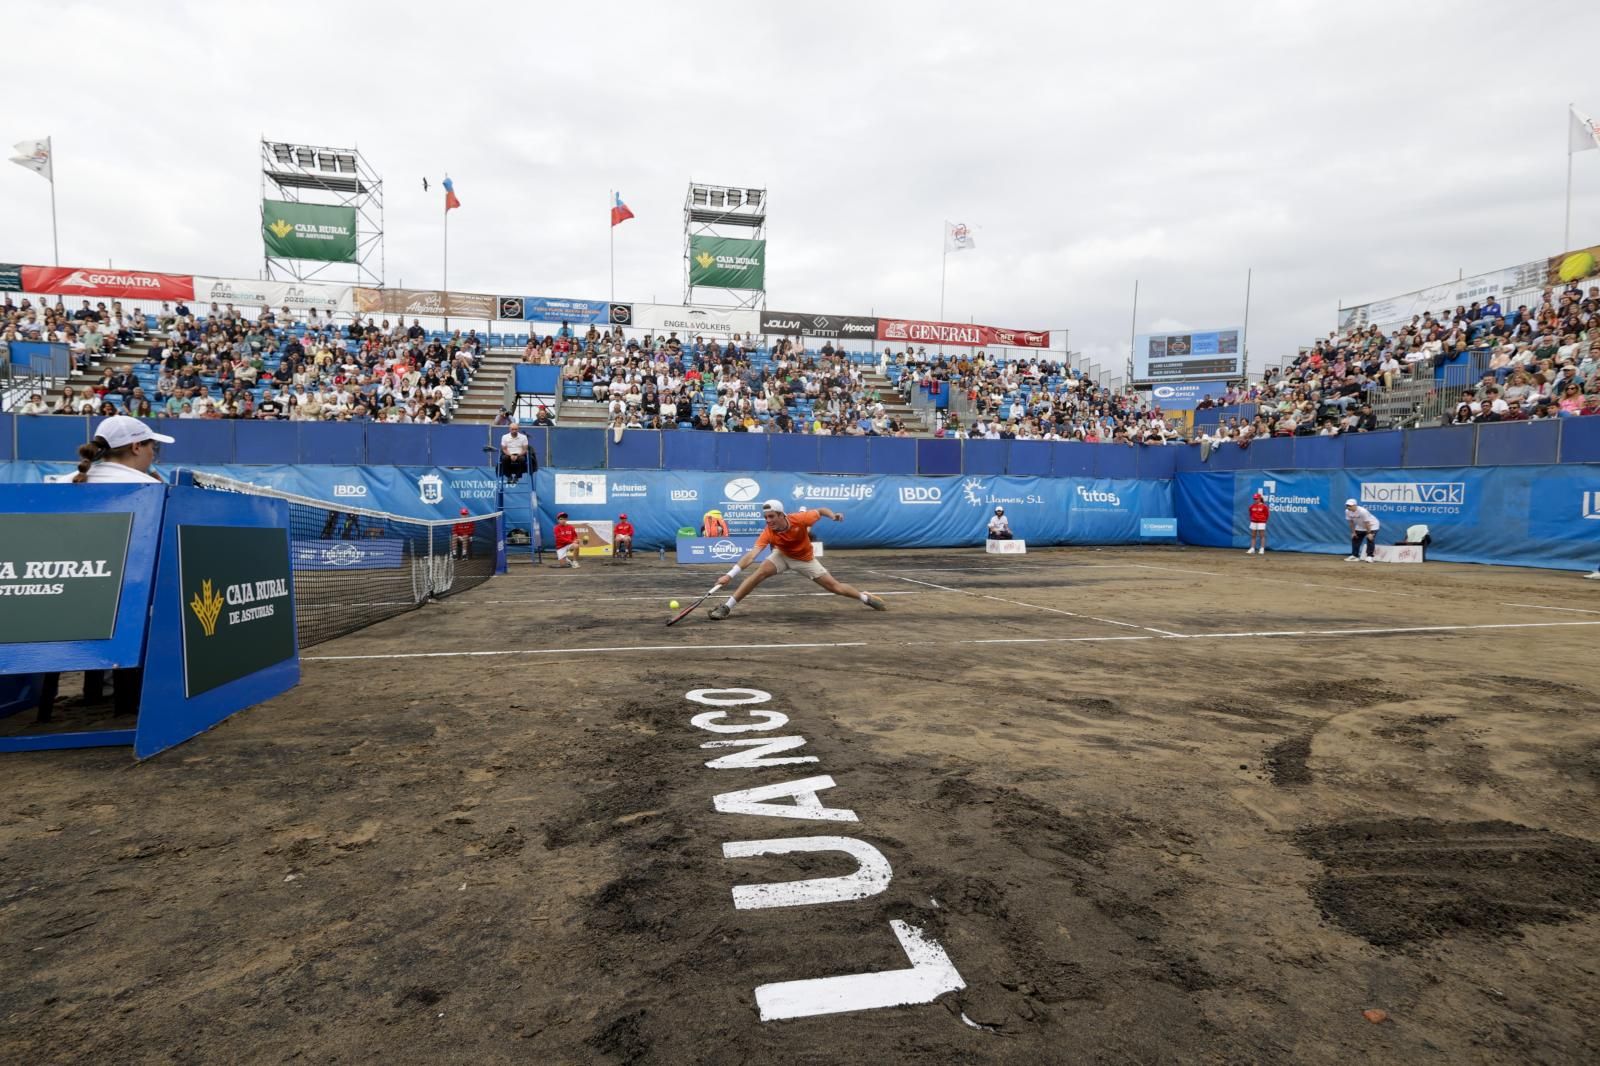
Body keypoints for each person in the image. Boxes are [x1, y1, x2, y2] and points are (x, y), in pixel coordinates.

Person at [40, 415, 177, 724]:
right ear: (136, 447)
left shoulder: (61, 483)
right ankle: (128, 701)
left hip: (58, 601)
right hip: (127, 602)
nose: (154, 454)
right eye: (152, 447)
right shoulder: (148, 488)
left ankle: (89, 693)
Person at [707, 499, 886, 620]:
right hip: (782, 555)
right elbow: (751, 555)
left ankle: (865, 597)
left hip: (805, 559)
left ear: (781, 515)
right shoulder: (768, 531)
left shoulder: (801, 519)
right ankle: (727, 607)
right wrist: (729, 575)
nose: (768, 521)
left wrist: (833, 516)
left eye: (771, 516)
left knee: (835, 587)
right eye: (766, 517)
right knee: (757, 574)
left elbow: (821, 510)